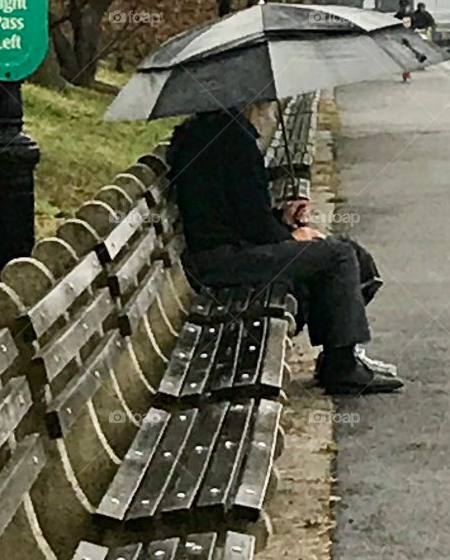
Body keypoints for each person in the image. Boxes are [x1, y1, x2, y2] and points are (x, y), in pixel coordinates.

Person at [167, 105, 403, 395]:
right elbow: (254, 225)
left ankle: (341, 356)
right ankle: (341, 366)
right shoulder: (232, 140)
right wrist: (292, 235)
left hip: (220, 254)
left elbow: (235, 214)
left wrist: (284, 217)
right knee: (338, 255)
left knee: (342, 249)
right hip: (223, 263)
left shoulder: (208, 132)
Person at [395, 0, 413, 80]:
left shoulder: (398, 15)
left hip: (402, 37)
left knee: (405, 56)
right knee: (406, 56)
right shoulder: (405, 15)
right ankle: (406, 73)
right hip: (404, 37)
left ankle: (406, 73)